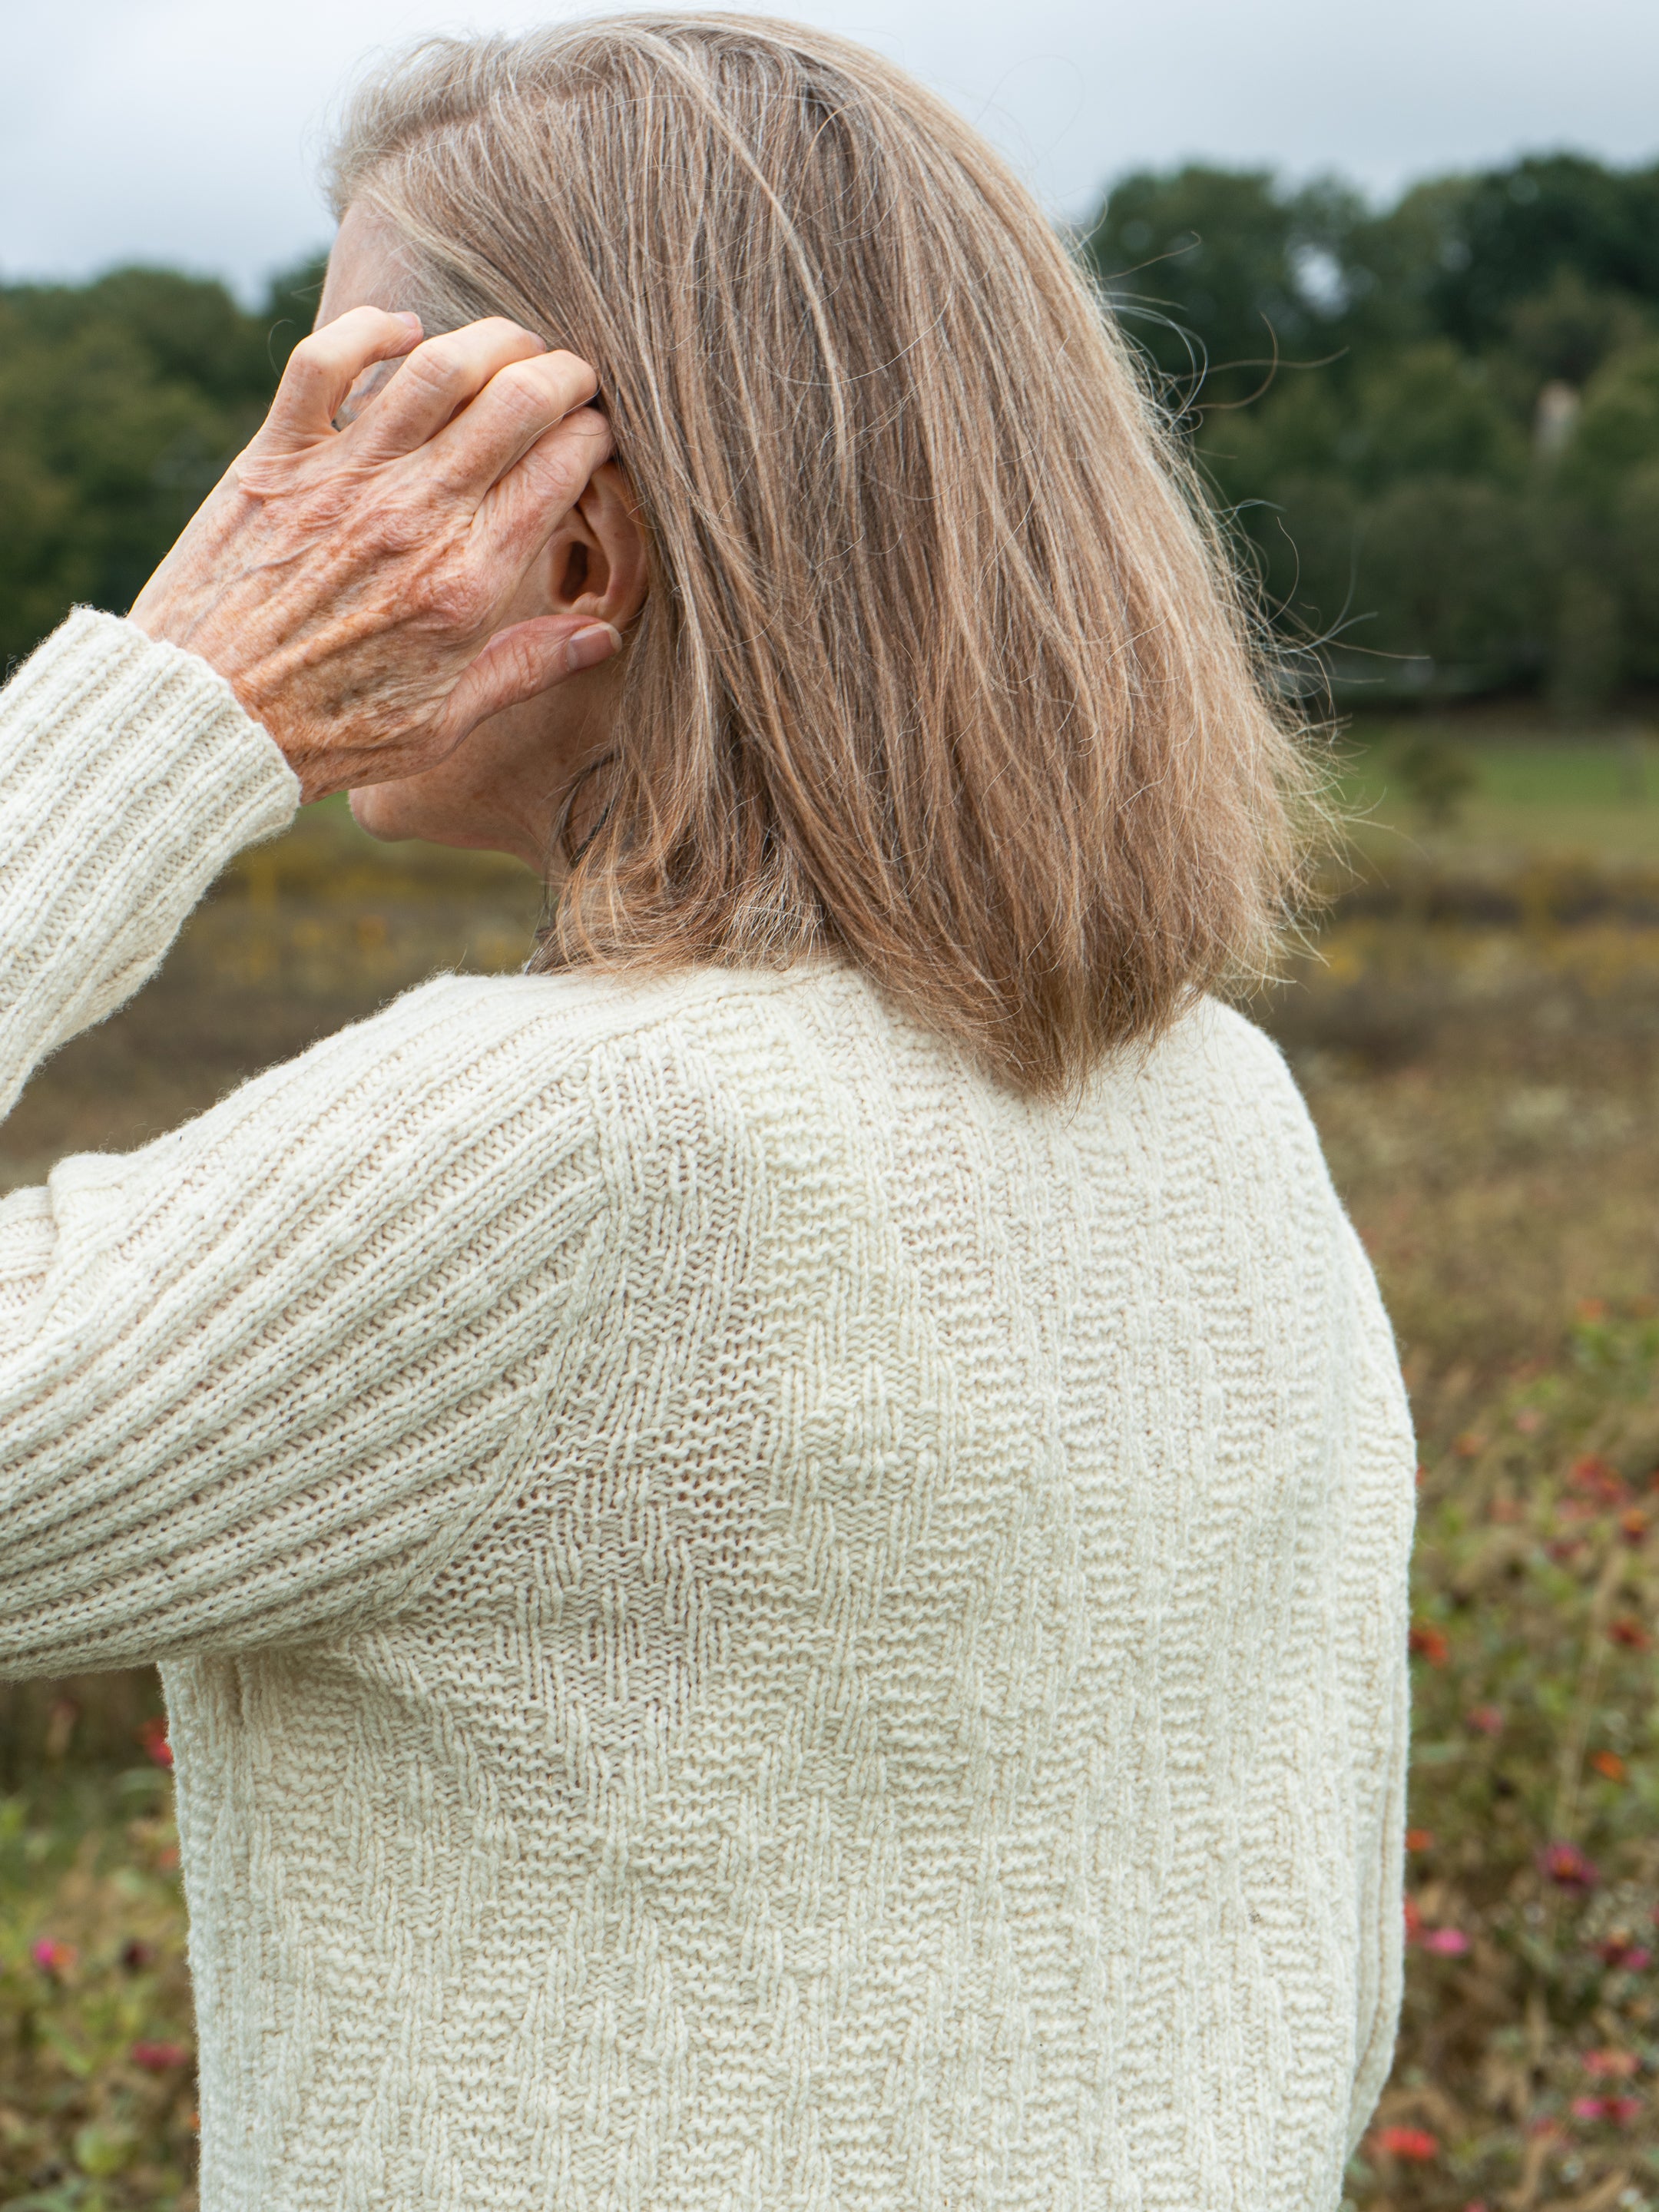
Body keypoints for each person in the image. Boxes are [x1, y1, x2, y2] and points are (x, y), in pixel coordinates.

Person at [0, 15, 1415, 2208]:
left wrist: (167, 710)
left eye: (354, 421)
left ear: (586, 546)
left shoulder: (567, 1160)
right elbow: (1300, 1980)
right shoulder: (1226, 1108)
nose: (267, 507)